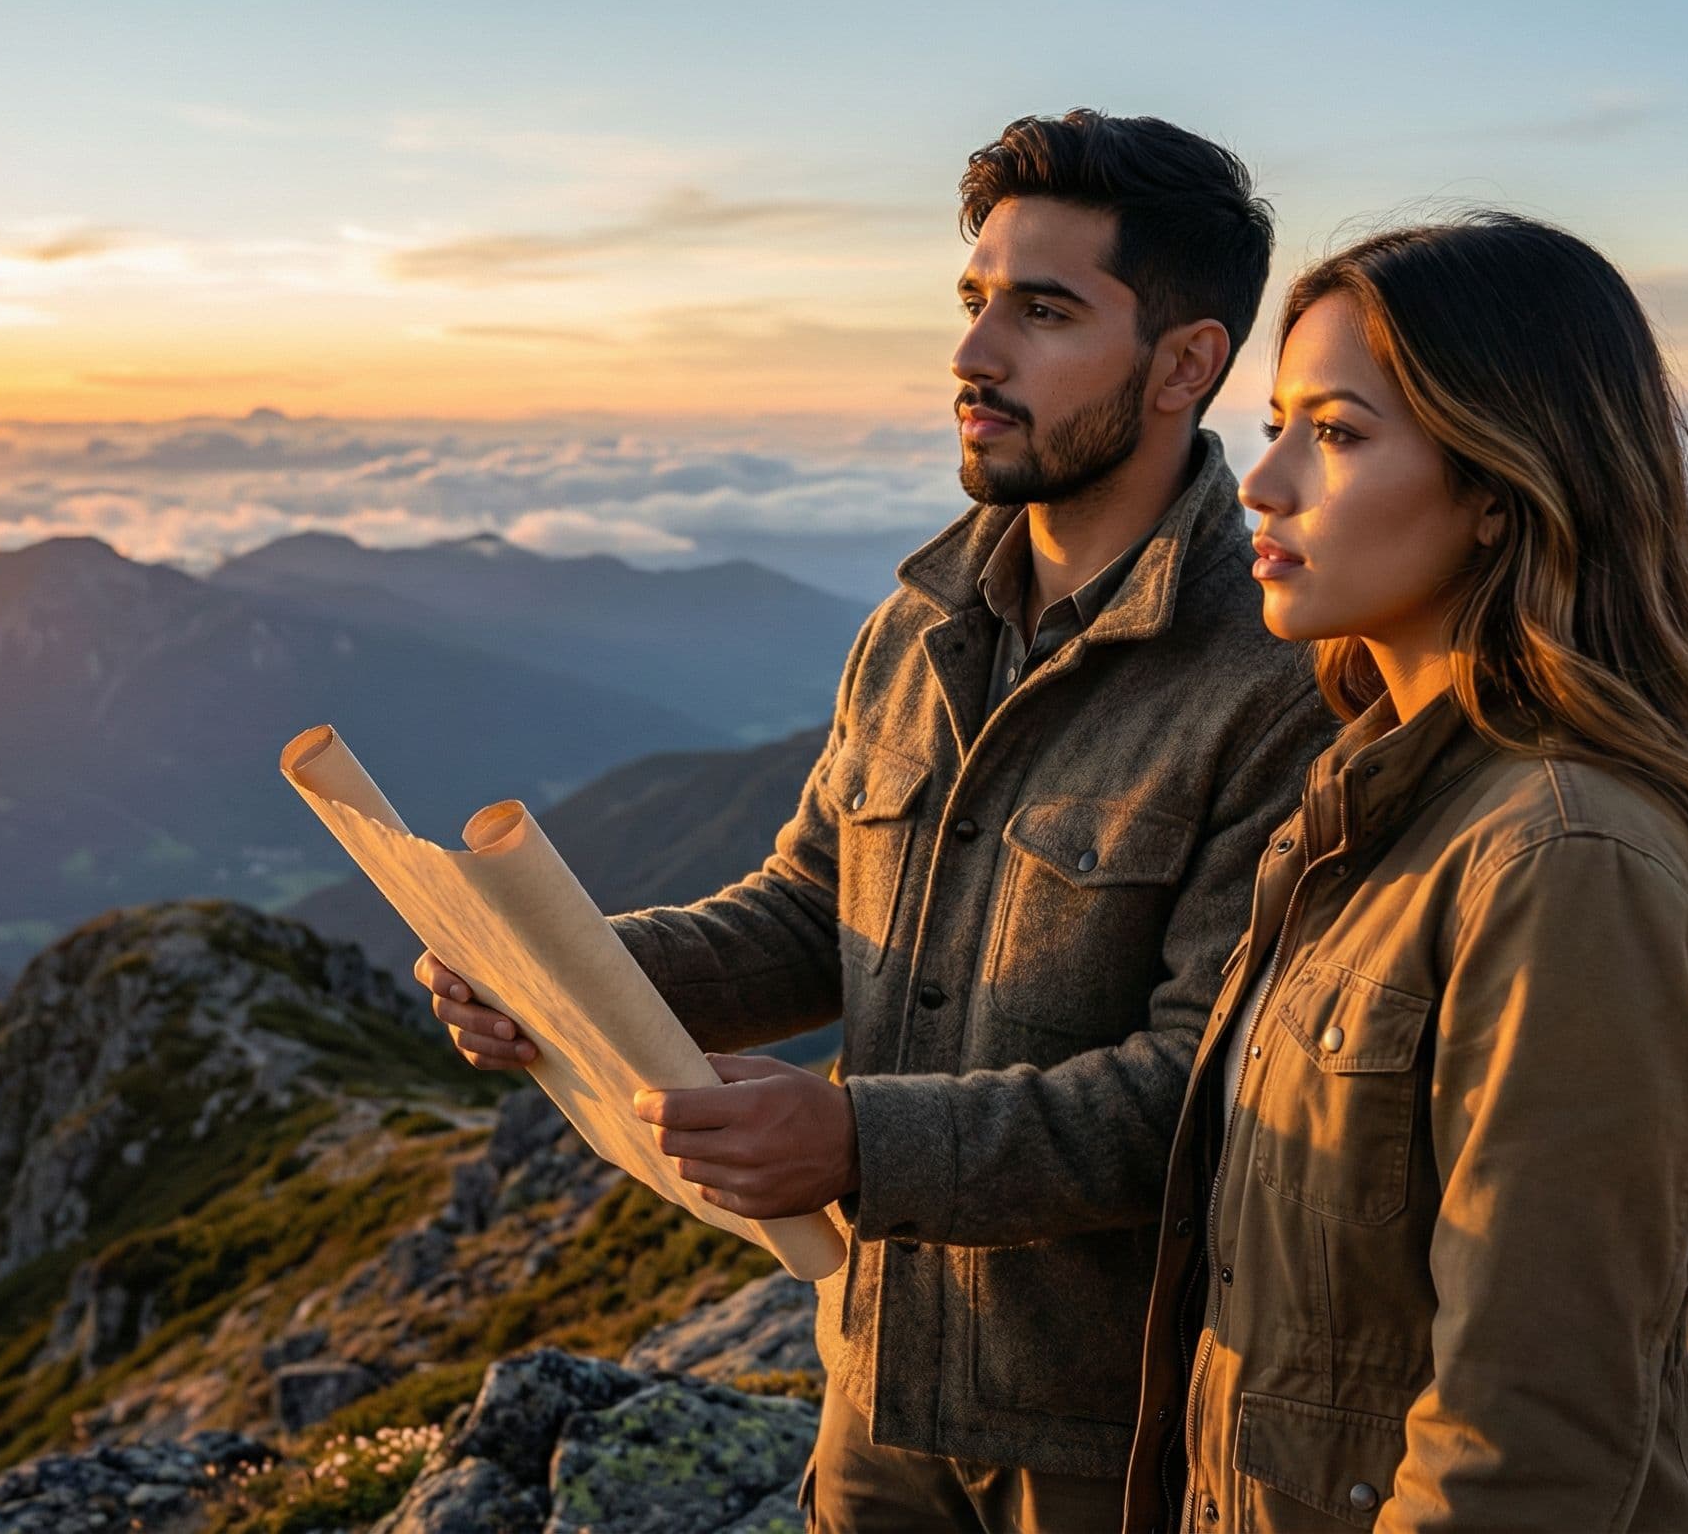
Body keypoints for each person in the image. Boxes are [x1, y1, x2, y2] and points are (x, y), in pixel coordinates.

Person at [422, 109, 1335, 1531]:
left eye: (1042, 312)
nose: (973, 356)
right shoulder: (916, 630)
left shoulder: (1278, 680)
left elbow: (1207, 1094)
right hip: (871, 1397)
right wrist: (558, 971)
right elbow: (811, 911)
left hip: (1112, 1443)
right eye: (974, 303)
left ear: (1186, 364)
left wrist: (856, 1147)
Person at [1119, 212, 1688, 1533]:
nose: (1260, 484)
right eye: (1274, 424)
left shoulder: (1563, 860)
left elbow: (1526, 1448)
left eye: (1334, 435)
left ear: (1502, 484)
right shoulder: (1368, 814)